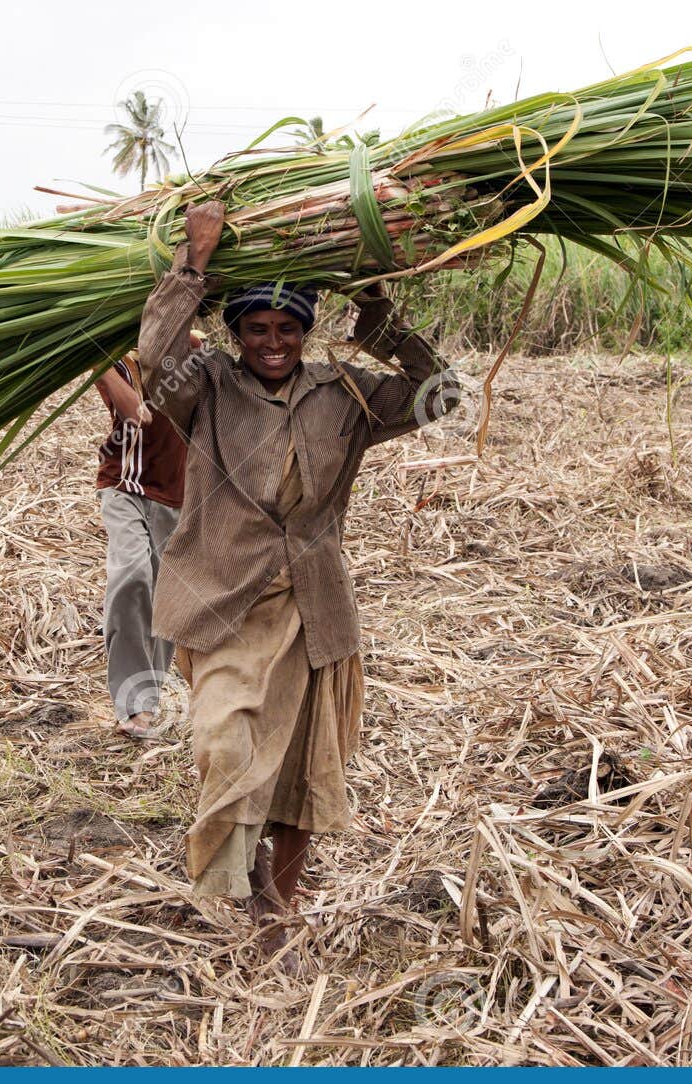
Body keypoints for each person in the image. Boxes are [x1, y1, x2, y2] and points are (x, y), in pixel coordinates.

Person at [138, 199, 459, 972]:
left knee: (301, 773)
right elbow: (151, 366)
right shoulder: (205, 385)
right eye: (257, 329)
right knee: (224, 739)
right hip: (227, 600)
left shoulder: (342, 394)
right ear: (235, 333)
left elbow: (440, 393)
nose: (273, 343)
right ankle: (245, 874)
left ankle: (275, 908)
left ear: (307, 330)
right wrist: (195, 261)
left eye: (288, 329)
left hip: (315, 606)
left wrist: (380, 318)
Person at [94, 332, 201, 739]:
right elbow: (138, 415)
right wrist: (96, 364)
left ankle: (146, 698)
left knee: (163, 595)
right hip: (124, 486)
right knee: (133, 575)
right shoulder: (117, 360)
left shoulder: (193, 350)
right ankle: (132, 704)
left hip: (175, 494)